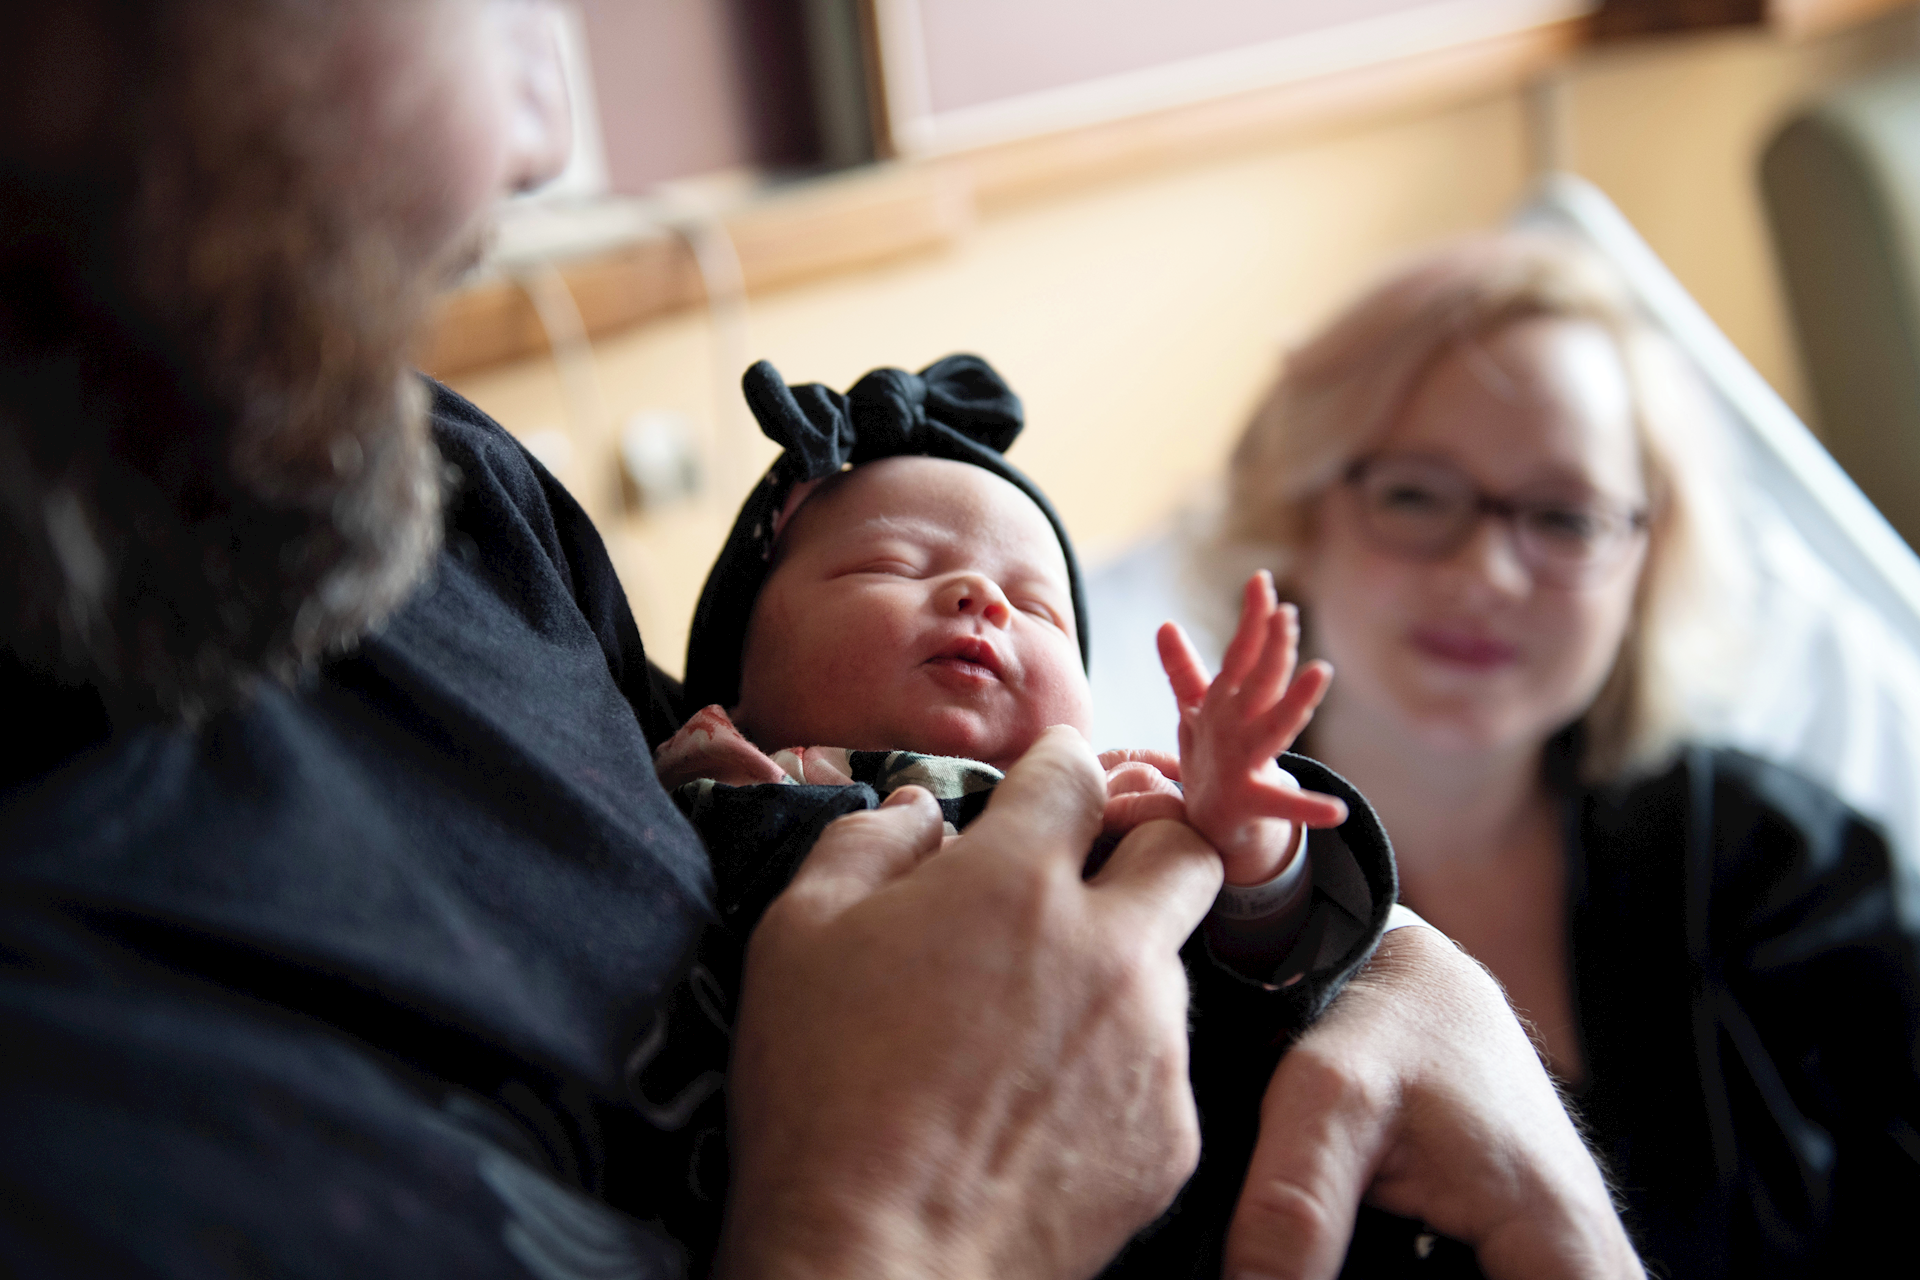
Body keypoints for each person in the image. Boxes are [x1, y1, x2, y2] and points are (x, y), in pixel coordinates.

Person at [0, 4, 1636, 1278]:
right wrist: (895, 1235)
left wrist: (1394, 971)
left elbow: (1274, 910)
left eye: (1035, 602)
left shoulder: (428, 496)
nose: (546, 129)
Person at [1220, 231, 1920, 1276]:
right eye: (1416, 494)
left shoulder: (1790, 868)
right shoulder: (1192, 899)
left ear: (1642, 562)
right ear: (1297, 514)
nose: (1489, 573)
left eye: (1562, 515)